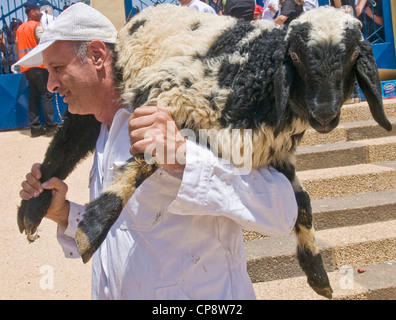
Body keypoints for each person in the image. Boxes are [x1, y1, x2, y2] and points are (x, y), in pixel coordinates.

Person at [18, 3, 298, 299]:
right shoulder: (100, 130)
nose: (50, 84)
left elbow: (283, 212)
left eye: (58, 68)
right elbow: (127, 233)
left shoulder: (190, 111)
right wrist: (65, 214)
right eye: (48, 71)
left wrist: (185, 158)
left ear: (97, 56)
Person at [16, 0, 56, 137]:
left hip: (26, 67)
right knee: (46, 95)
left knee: (33, 97)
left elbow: (17, 48)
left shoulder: (20, 28)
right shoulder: (36, 26)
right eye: (39, 11)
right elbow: (42, 42)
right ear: (32, 12)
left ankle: (35, 128)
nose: (41, 14)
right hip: (39, 66)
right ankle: (51, 126)